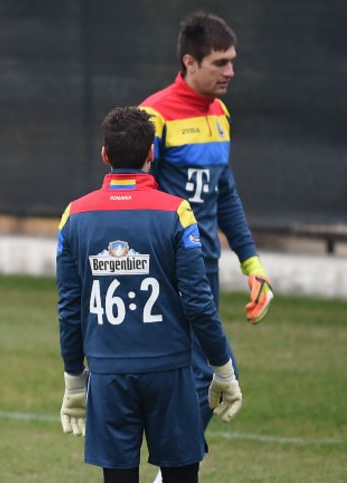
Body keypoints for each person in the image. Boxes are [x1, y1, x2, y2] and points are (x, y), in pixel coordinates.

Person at [56, 106, 243, 483]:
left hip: (108, 376)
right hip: (169, 374)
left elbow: (69, 310)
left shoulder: (74, 215)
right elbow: (199, 303)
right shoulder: (177, 212)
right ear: (151, 154)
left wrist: (75, 377)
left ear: (105, 155)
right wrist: (223, 369)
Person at [138, 12, 273, 431]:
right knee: (214, 373)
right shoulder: (154, 116)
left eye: (232, 61)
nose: (230, 71)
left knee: (199, 376)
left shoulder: (220, 114)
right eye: (220, 62)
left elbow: (225, 194)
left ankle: (166, 458)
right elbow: (136, 193)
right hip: (167, 270)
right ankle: (174, 460)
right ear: (190, 62)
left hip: (205, 270)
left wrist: (251, 264)